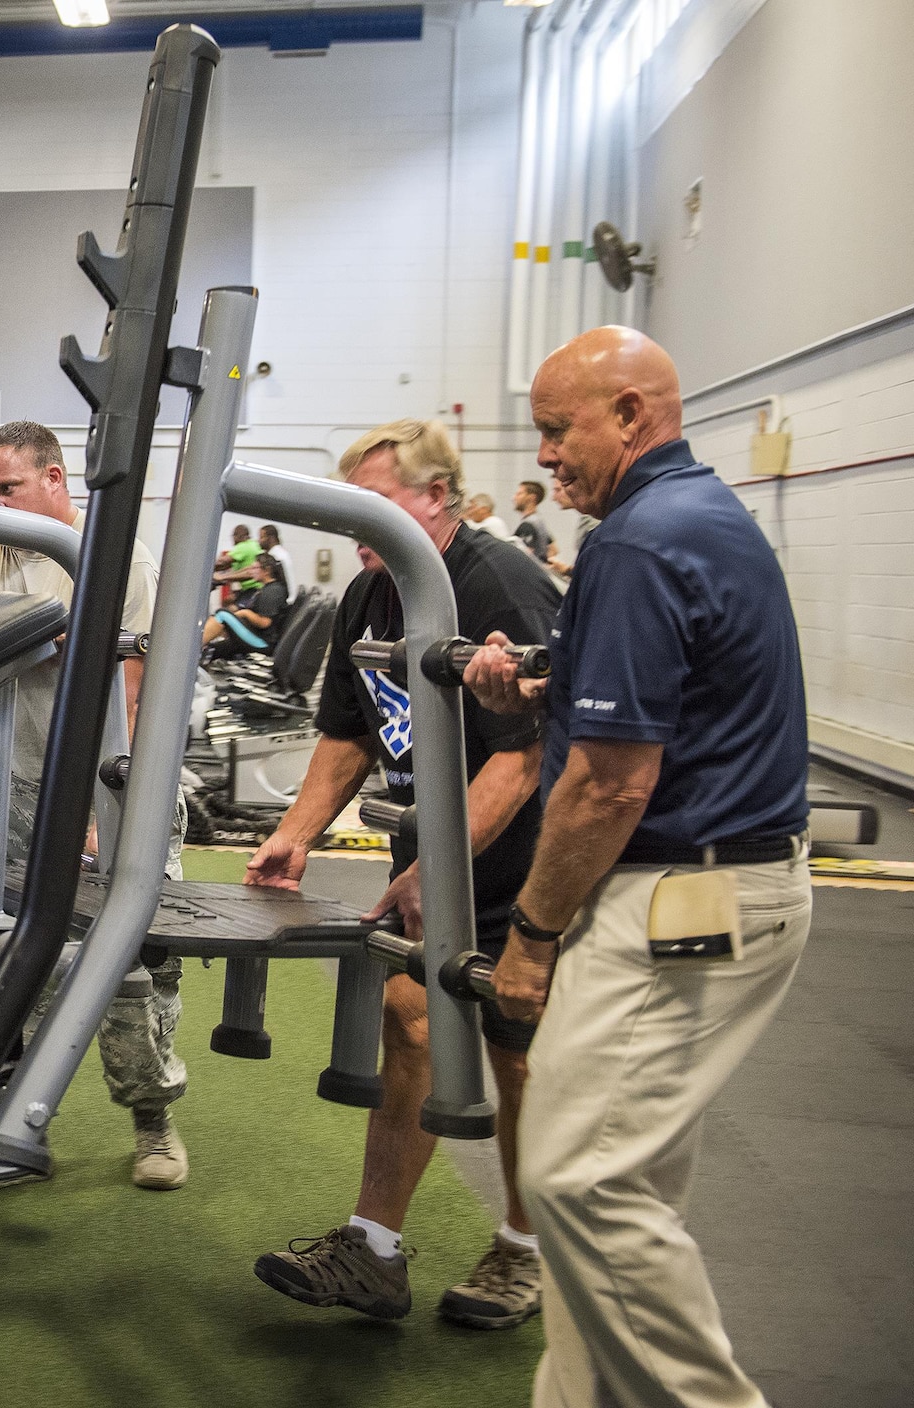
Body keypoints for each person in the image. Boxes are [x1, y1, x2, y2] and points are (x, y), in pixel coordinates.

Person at [466, 327, 811, 1408]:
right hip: (718, 885)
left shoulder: (636, 540)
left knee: (578, 1181)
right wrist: (538, 681)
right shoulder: (693, 515)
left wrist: (528, 935)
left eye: (557, 431)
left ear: (629, 414)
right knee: (614, 1193)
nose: (546, 457)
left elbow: (609, 784)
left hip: (677, 898)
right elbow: (660, 684)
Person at [245, 418, 560, 1329]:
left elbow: (525, 756)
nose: (359, 525)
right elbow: (348, 734)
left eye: (376, 502)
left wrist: (436, 869)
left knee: (516, 1053)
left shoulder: (495, 582)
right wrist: (296, 832)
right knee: (408, 1023)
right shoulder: (370, 594)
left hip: (526, 869)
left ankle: (525, 1249)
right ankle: (374, 1252)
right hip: (432, 864)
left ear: (438, 499)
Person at [0, 419, 189, 1193]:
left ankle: (153, 1123)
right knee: (14, 954)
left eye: (8, 489)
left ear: (55, 479)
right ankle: (15, 1122)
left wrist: (93, 812)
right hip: (19, 785)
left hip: (117, 789)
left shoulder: (118, 562)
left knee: (132, 967)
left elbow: (132, 706)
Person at [201, 552, 288, 654]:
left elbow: (265, 622)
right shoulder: (269, 588)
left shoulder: (273, 591)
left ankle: (192, 647)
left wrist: (245, 613)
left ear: (267, 571)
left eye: (255, 568)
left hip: (263, 642)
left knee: (222, 614)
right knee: (212, 649)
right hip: (257, 636)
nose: (251, 572)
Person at [512, 479, 555, 565]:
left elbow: (523, 556)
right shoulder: (539, 522)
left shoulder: (527, 525)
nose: (514, 498)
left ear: (531, 498)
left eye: (519, 494)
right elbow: (553, 549)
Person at [258, 523, 298, 601]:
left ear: (271, 538)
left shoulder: (275, 556)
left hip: (286, 600)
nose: (259, 541)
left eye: (262, 537)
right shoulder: (280, 552)